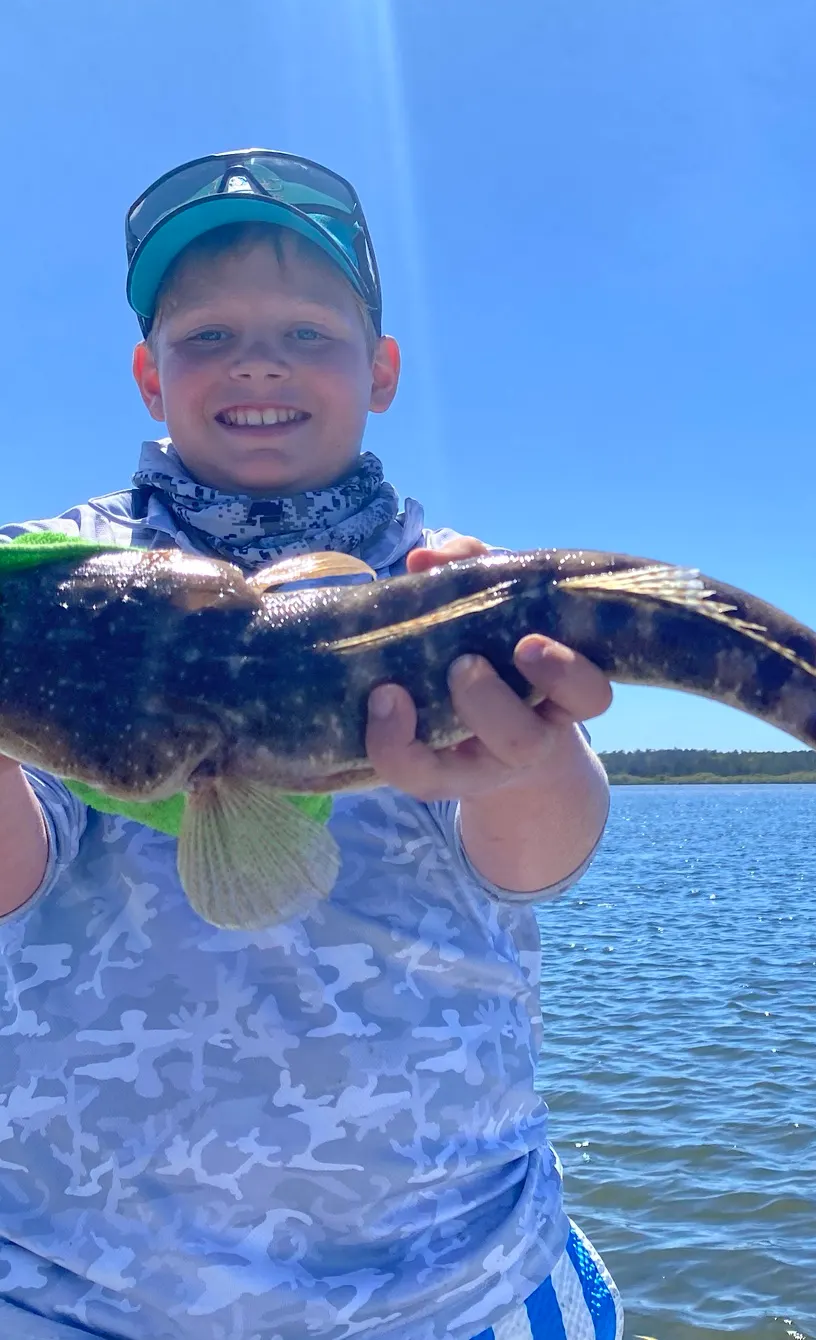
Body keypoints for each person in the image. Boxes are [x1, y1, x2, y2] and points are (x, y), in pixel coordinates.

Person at [0, 151, 624, 1340]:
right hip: (83, 1286)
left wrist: (536, 746)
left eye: (308, 332)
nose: (258, 361)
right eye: (207, 336)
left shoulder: (451, 586)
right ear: (149, 376)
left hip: (453, 1280)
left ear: (381, 372)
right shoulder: (55, 577)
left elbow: (537, 867)